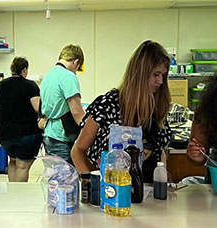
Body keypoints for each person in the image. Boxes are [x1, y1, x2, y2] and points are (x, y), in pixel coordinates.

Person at [71, 40, 172, 183]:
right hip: (111, 193)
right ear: (140, 74)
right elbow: (78, 151)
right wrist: (91, 182)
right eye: (156, 74)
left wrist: (163, 177)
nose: (160, 81)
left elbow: (160, 152)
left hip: (147, 194)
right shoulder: (108, 104)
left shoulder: (157, 108)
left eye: (163, 75)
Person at [0, 57, 42, 182]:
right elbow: (37, 107)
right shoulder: (30, 86)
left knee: (13, 161)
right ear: (24, 69)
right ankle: (19, 196)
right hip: (25, 134)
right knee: (22, 166)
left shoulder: (1, 85)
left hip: (5, 135)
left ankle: (12, 194)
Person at [40, 44, 86, 165]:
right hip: (62, 136)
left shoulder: (48, 76)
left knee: (54, 177)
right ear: (76, 62)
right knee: (67, 180)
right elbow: (77, 111)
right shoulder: (69, 76)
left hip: (49, 133)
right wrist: (87, 130)